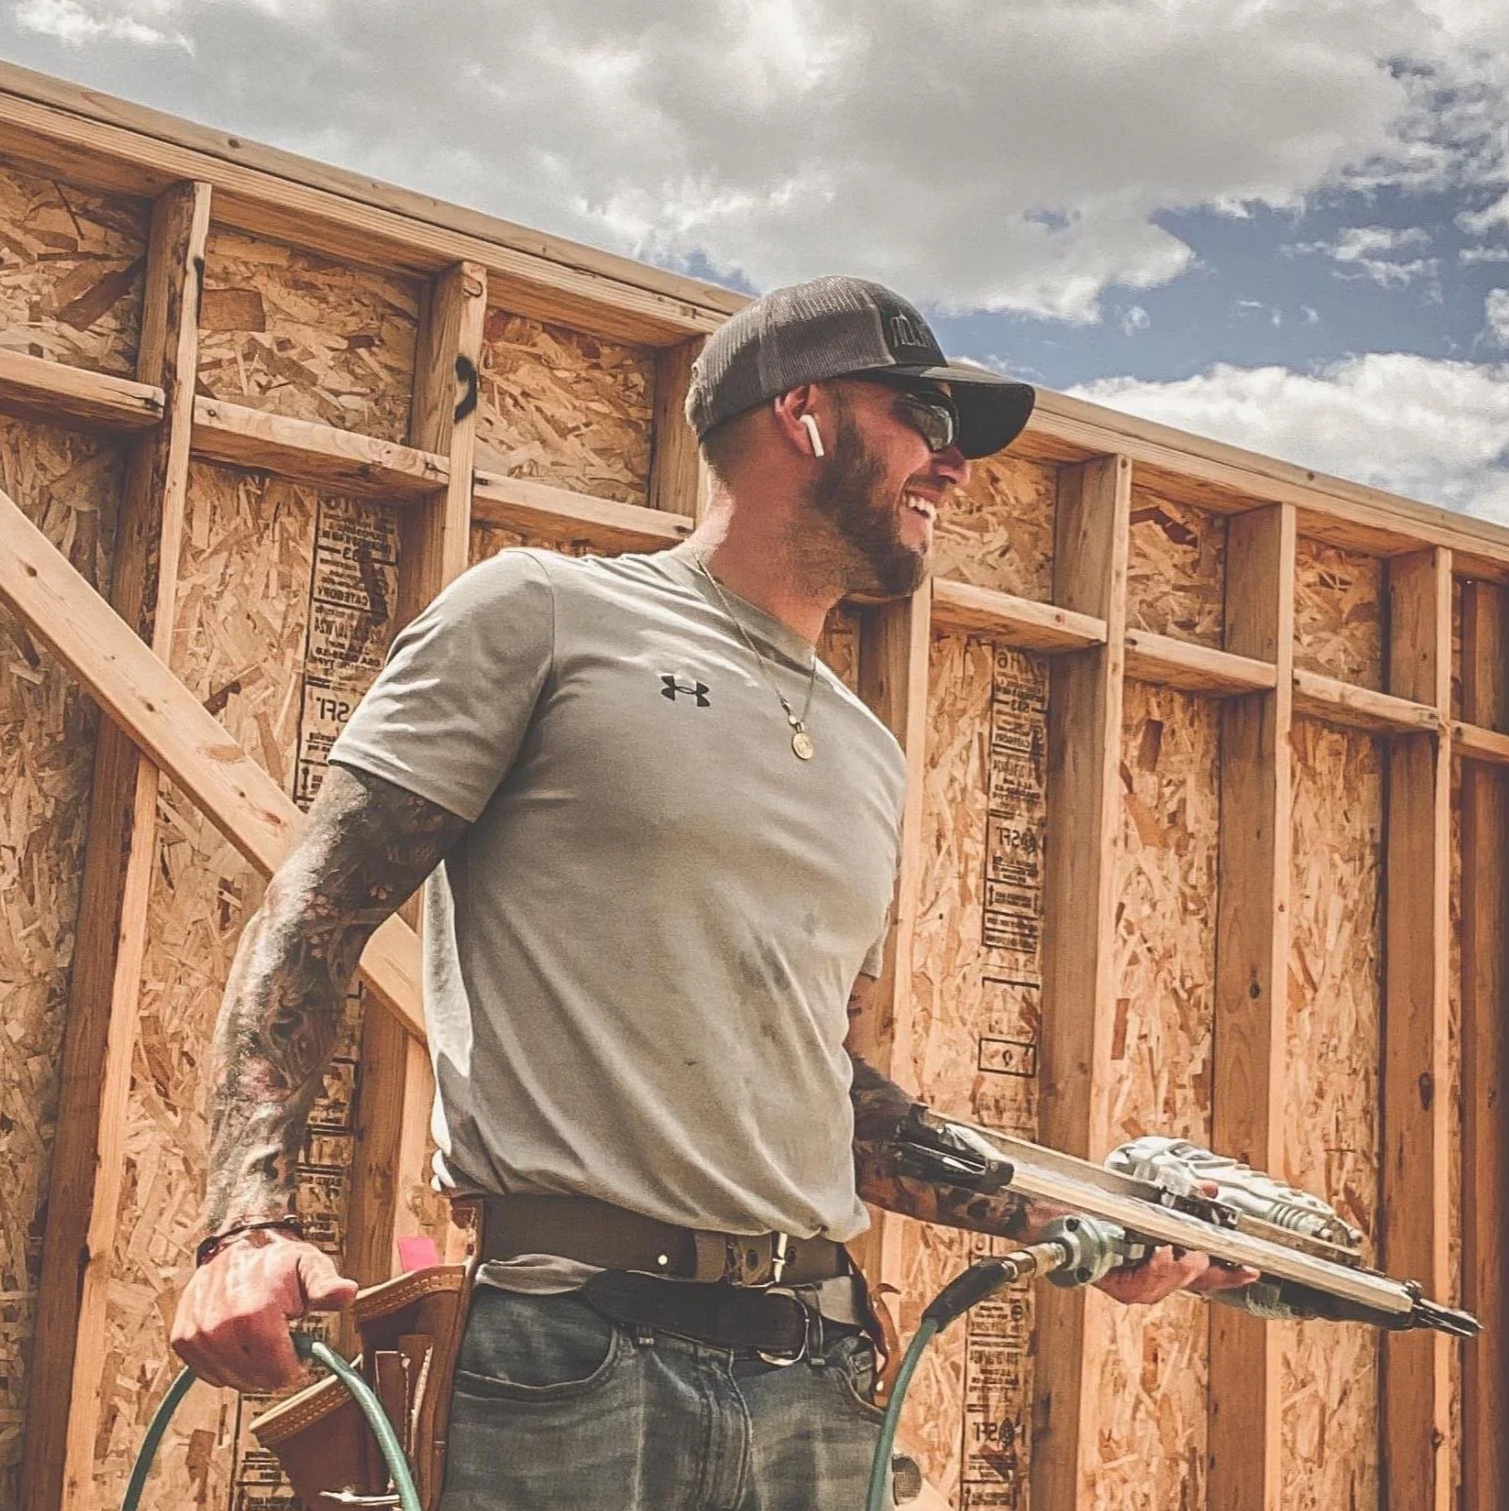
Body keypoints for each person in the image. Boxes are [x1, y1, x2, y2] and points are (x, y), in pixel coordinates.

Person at [171, 276, 1253, 1509]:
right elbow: (314, 917)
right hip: (570, 1358)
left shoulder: (865, 749)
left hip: (819, 1365)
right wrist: (245, 1222)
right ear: (801, 412)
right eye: (922, 420)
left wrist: (1088, 1217)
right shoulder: (546, 614)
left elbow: (822, 1085)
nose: (953, 468)